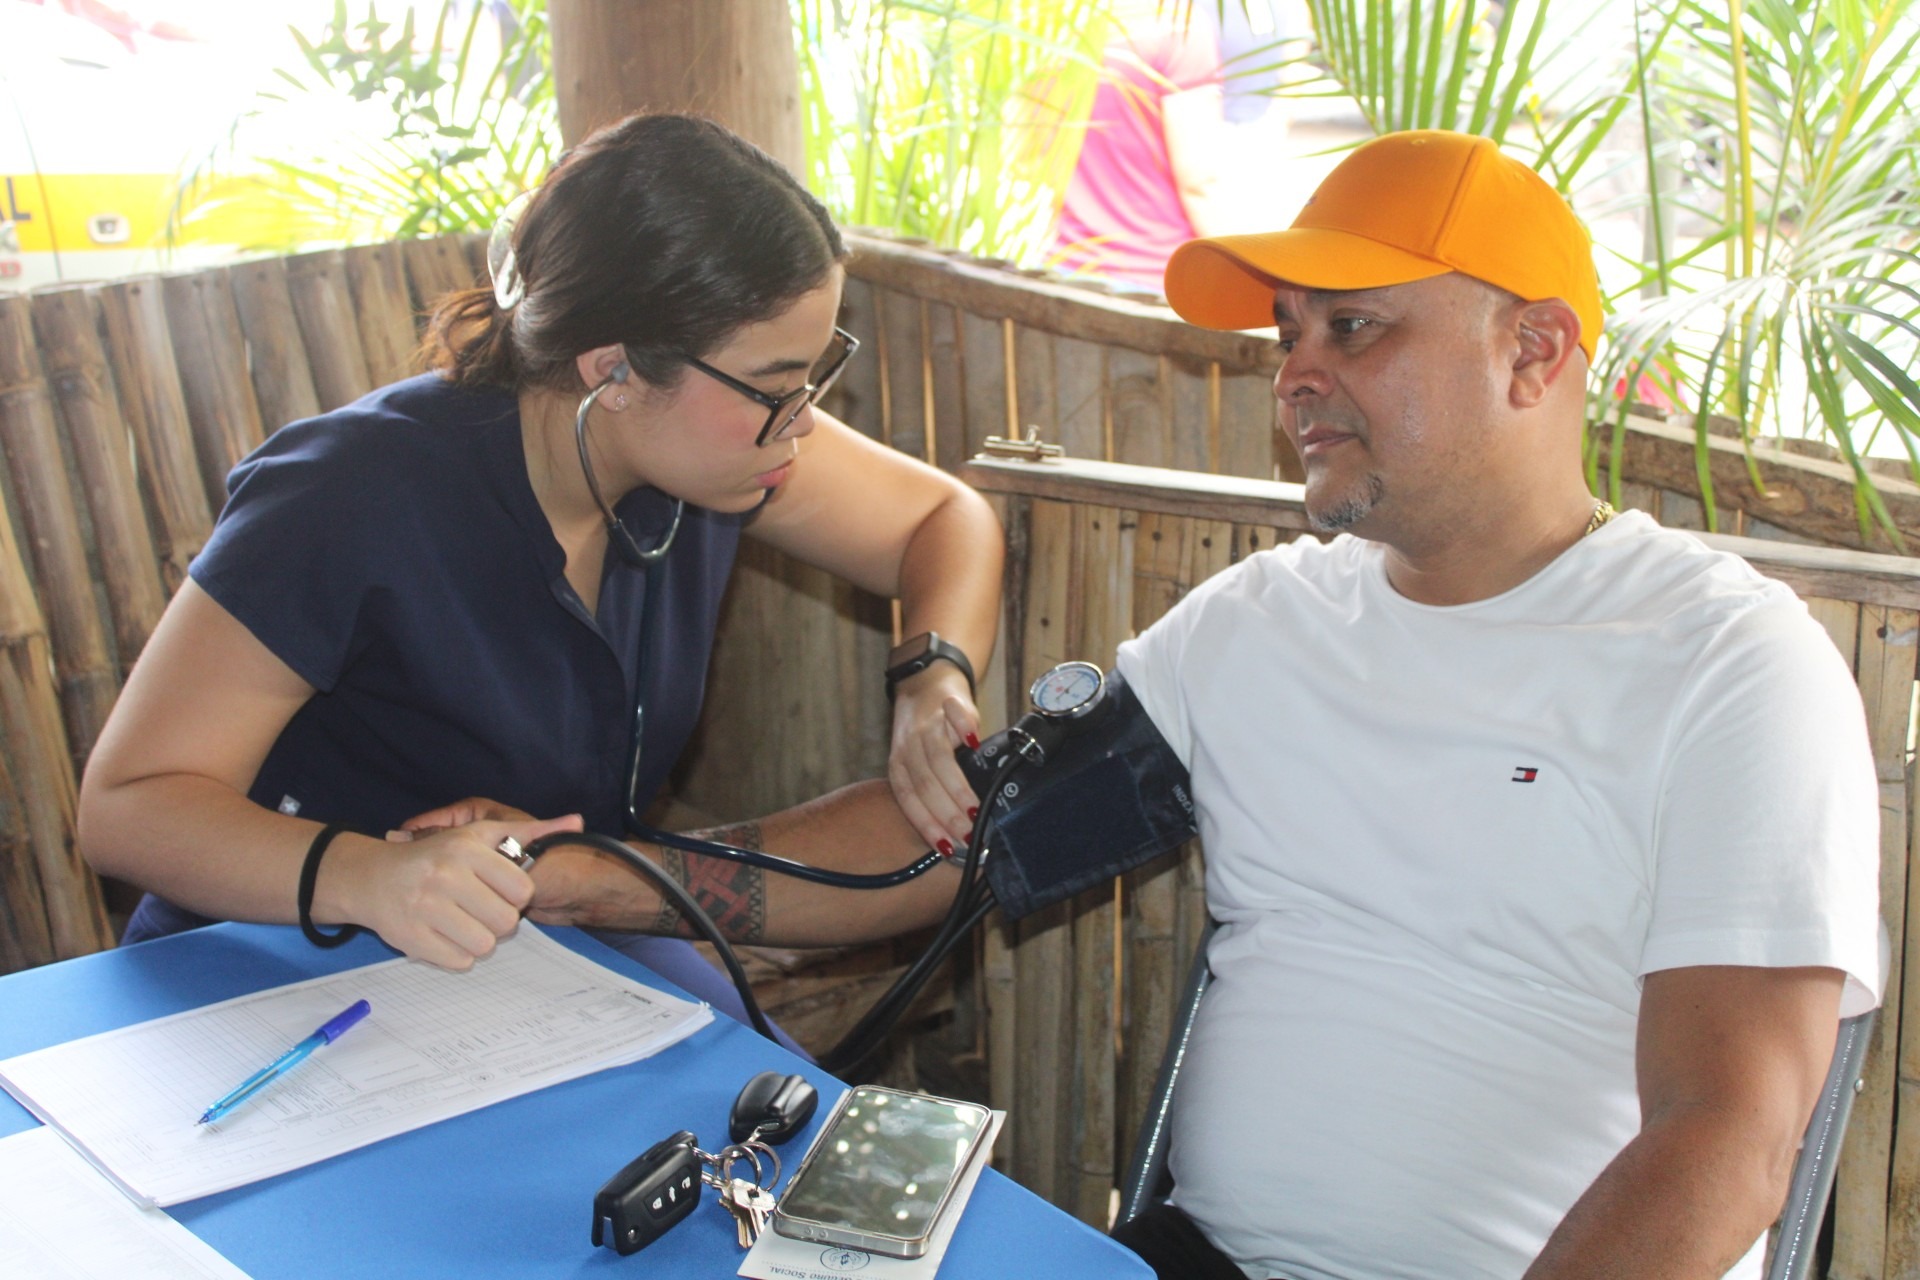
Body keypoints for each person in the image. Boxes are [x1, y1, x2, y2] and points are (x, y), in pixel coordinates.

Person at [1110, 130, 1882, 1279]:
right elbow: (973, 834)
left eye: (1351, 326)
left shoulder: (1729, 661)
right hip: (1203, 1256)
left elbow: (1729, 1136)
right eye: (1288, 334)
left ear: (1533, 350)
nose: (1295, 374)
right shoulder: (1258, 619)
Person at [77, 112, 1000, 1046]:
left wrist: (932, 673)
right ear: (614, 371)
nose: (801, 423)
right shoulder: (346, 494)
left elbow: (942, 519)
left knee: (773, 1112)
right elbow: (127, 805)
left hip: (537, 934)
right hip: (275, 955)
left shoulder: (725, 455)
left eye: (815, 376)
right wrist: (365, 875)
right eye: (774, 386)